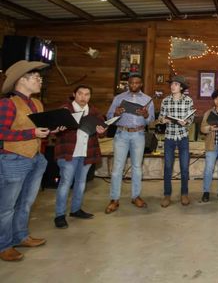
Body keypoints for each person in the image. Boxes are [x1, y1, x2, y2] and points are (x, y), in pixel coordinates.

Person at [0, 61, 51, 262]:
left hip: (36, 158)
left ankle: (21, 236)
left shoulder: (37, 104)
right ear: (22, 80)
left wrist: (53, 129)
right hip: (13, 159)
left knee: (26, 202)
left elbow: (41, 130)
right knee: (6, 207)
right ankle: (4, 245)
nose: (40, 81)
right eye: (36, 78)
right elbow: (2, 133)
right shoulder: (7, 104)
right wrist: (32, 132)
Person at [53, 85, 106, 229]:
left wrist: (101, 130)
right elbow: (54, 130)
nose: (83, 97)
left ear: (90, 96)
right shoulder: (65, 109)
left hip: (87, 152)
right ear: (74, 94)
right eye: (80, 94)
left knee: (81, 182)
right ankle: (59, 215)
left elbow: (102, 130)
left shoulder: (94, 111)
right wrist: (59, 128)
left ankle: (76, 209)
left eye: (87, 94)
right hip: (68, 152)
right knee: (65, 183)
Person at [105, 74, 154, 214]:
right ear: (128, 83)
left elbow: (150, 120)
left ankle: (135, 196)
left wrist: (145, 115)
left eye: (137, 83)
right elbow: (109, 117)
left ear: (141, 84)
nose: (134, 85)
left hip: (138, 134)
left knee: (137, 167)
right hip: (121, 134)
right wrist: (116, 113)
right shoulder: (119, 98)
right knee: (117, 167)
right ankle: (114, 199)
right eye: (131, 83)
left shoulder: (147, 100)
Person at [158, 75, 194, 207]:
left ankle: (184, 194)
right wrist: (164, 120)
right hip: (169, 138)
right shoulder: (165, 101)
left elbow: (191, 118)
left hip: (183, 137)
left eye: (176, 84)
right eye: (172, 84)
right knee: (168, 167)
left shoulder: (188, 100)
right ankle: (167, 195)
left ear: (181, 87)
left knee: (184, 168)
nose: (173, 86)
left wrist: (186, 122)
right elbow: (160, 118)